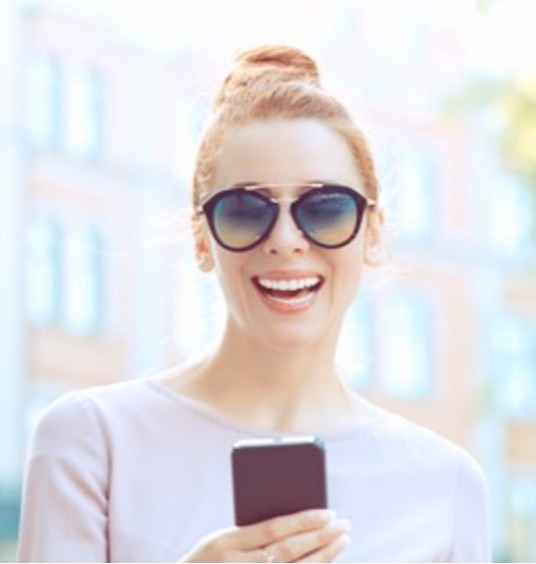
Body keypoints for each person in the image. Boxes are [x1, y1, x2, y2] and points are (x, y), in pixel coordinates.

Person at [18, 45, 490, 563]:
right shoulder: (91, 440)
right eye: (245, 210)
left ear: (372, 232)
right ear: (203, 239)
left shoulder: (447, 485)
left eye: (325, 209)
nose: (285, 240)